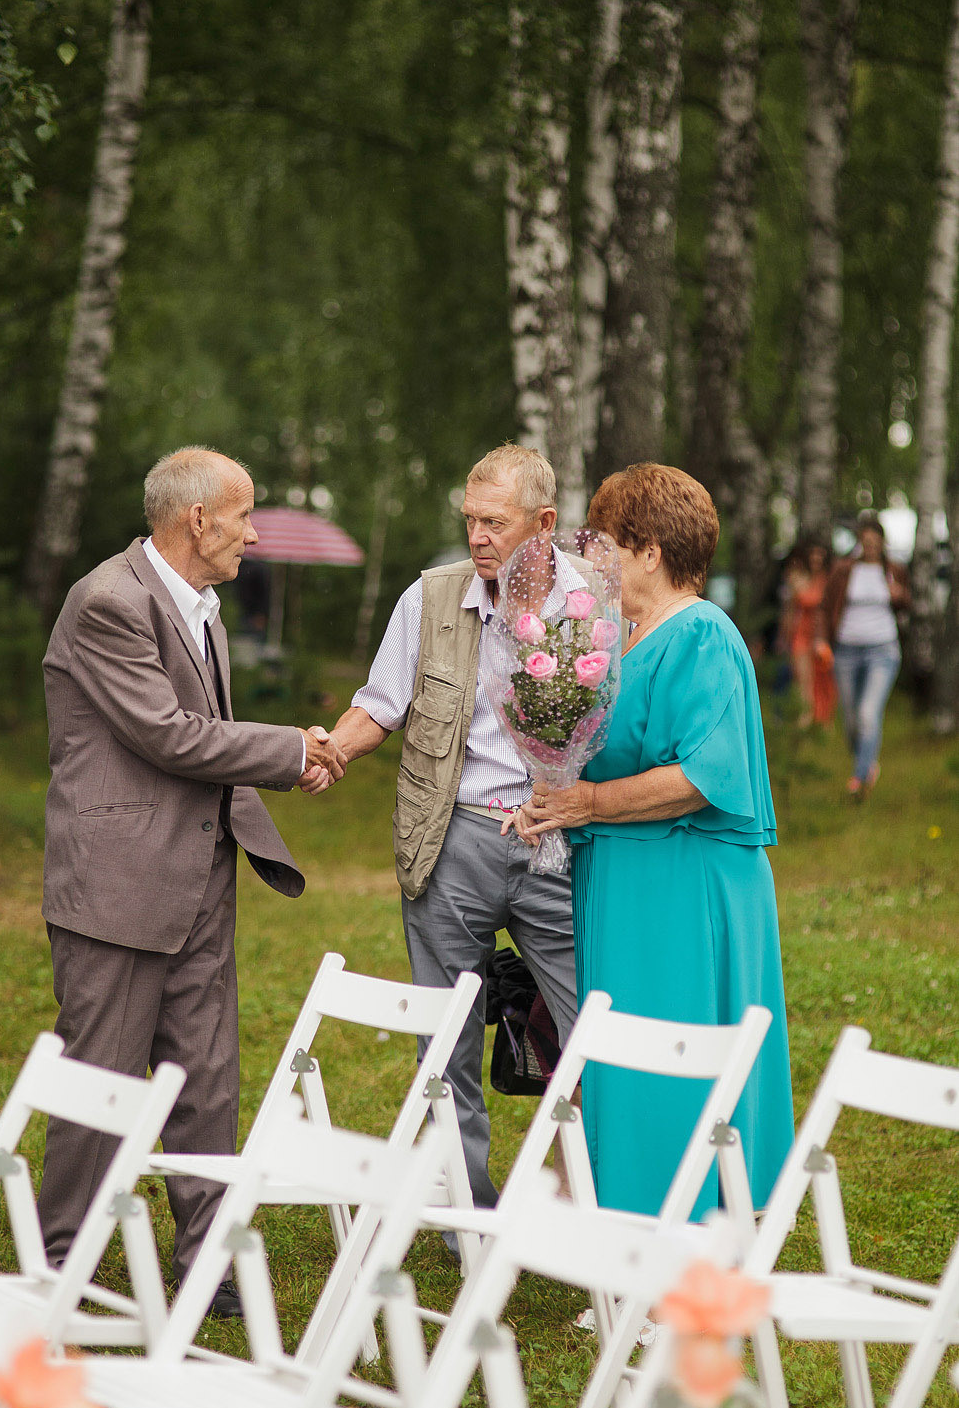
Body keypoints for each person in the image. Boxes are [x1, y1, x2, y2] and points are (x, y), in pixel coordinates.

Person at [37, 446, 346, 1315]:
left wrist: (285, 760)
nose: (254, 533)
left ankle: (206, 1262)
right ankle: (58, 1261)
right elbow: (170, 736)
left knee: (207, 1075)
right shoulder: (108, 602)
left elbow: (204, 736)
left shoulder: (201, 607)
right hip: (118, 882)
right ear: (196, 520)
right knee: (102, 1079)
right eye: (244, 515)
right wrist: (292, 750)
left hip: (202, 868)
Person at [507, 461, 795, 1222]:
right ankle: (623, 1226)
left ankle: (679, 1231)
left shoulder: (701, 633)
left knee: (670, 1049)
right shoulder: (623, 640)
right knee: (623, 1053)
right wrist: (550, 798)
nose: (593, 564)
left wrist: (589, 800)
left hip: (681, 884)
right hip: (624, 882)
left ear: (650, 552)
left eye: (605, 547)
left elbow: (704, 773)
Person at [310, 445, 581, 1241]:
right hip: (451, 839)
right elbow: (378, 704)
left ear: (544, 524)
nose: (478, 537)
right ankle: (470, 1216)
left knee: (586, 1030)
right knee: (445, 1043)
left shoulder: (592, 603)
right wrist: (327, 753)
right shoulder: (429, 599)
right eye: (469, 520)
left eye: (493, 522)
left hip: (557, 849)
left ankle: (585, 1207)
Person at [822, 512, 910, 798]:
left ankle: (859, 778)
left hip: (883, 650)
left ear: (882, 543)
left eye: (875, 542)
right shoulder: (844, 570)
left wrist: (899, 595)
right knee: (850, 720)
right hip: (847, 651)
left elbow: (909, 603)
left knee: (868, 713)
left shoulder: (893, 570)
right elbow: (826, 607)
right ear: (859, 542)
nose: (870, 547)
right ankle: (865, 763)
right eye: (865, 541)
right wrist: (822, 642)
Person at [780, 538, 835, 729]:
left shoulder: (828, 580)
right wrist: (784, 635)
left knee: (823, 678)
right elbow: (789, 610)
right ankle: (805, 719)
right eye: (813, 555)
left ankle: (823, 720)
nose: (816, 559)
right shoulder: (798, 578)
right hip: (801, 633)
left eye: (819, 555)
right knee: (802, 679)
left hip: (819, 634)